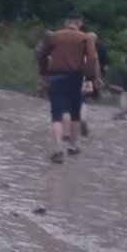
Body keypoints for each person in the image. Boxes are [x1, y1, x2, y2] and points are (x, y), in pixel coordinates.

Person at [38, 13, 99, 164]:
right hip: (76, 77)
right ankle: (72, 147)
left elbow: (43, 55)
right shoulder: (86, 38)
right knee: (75, 113)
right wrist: (90, 78)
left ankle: (58, 151)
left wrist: (43, 73)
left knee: (56, 114)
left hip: (56, 77)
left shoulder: (54, 36)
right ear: (80, 24)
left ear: (66, 22)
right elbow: (92, 59)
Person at [78, 32, 109, 137]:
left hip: (74, 77)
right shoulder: (91, 50)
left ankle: (67, 126)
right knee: (85, 100)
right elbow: (96, 64)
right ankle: (82, 118)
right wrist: (98, 78)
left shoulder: (76, 48)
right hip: (88, 79)